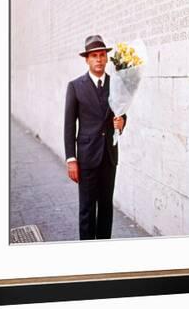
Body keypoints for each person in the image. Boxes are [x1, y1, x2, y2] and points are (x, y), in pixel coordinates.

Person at [63, 35, 126, 240]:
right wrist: (71, 159)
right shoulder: (75, 86)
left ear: (107, 58)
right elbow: (69, 125)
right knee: (87, 209)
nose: (99, 59)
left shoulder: (115, 84)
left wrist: (122, 122)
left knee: (106, 207)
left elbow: (121, 112)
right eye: (94, 56)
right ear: (87, 60)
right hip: (87, 157)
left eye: (102, 55)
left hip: (109, 156)